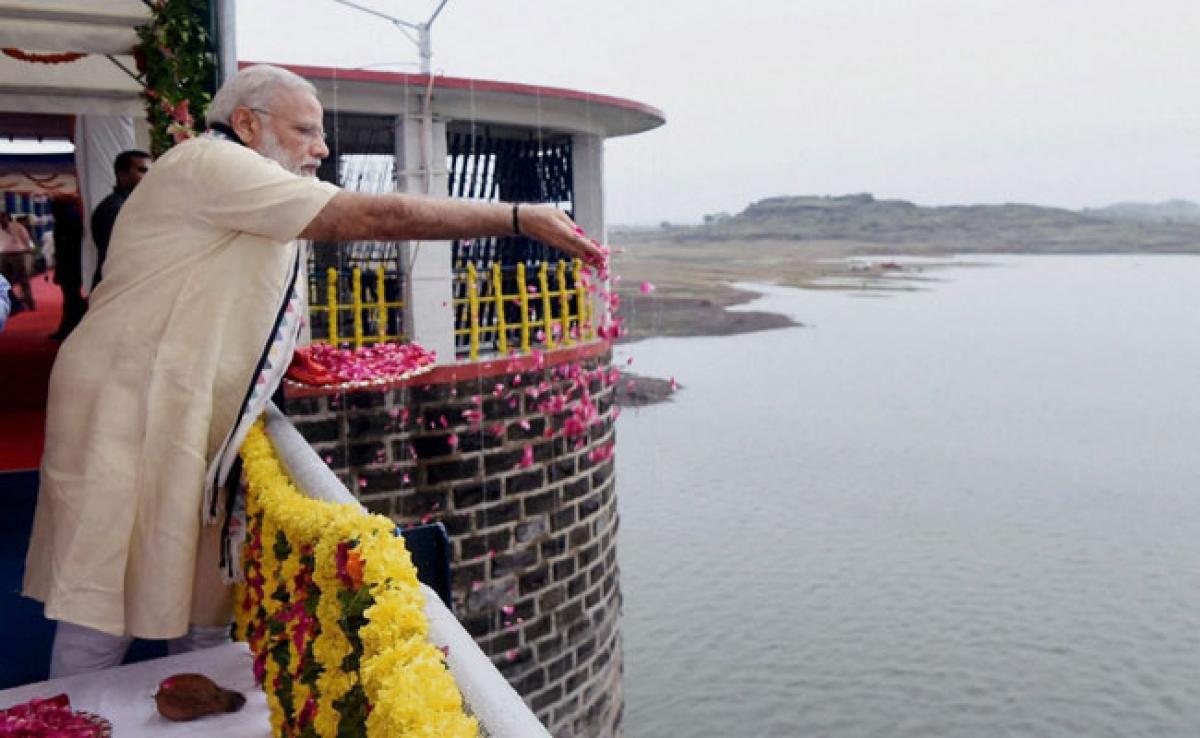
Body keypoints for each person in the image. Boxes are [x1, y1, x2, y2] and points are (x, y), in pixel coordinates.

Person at [23, 64, 605, 677]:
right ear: (246, 124)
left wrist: (274, 357)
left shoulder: (250, 179)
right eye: (306, 130)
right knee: (102, 598)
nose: (322, 149)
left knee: (196, 596)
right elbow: (376, 218)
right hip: (130, 403)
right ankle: (77, 709)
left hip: (188, 413)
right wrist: (516, 218)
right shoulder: (212, 164)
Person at [89, 149, 150, 288]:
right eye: (142, 170)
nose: (149, 176)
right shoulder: (115, 208)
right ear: (122, 174)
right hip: (115, 286)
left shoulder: (130, 205)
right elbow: (119, 254)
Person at [48, 197, 86, 340]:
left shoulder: (65, 223)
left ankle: (69, 327)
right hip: (71, 267)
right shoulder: (72, 221)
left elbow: (65, 249)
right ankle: (70, 326)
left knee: (71, 299)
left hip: (69, 267)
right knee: (71, 298)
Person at [0, 211, 35, 311]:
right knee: (4, 282)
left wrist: (29, 250)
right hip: (3, 255)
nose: (2, 221)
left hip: (17, 254)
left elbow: (26, 238)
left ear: (7, 218)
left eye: (3, 218)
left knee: (23, 280)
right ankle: (9, 304)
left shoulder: (17, 227)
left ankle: (30, 303)